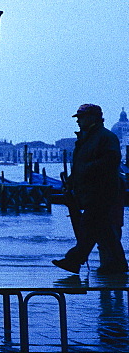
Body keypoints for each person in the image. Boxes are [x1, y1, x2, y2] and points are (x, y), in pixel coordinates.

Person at [52, 104, 127, 275]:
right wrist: (72, 181)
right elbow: (79, 165)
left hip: (102, 192)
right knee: (103, 230)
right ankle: (118, 264)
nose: (78, 121)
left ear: (92, 118)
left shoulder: (106, 137)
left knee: (88, 226)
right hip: (91, 192)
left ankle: (74, 260)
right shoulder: (87, 138)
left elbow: (111, 160)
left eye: (81, 117)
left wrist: (86, 169)